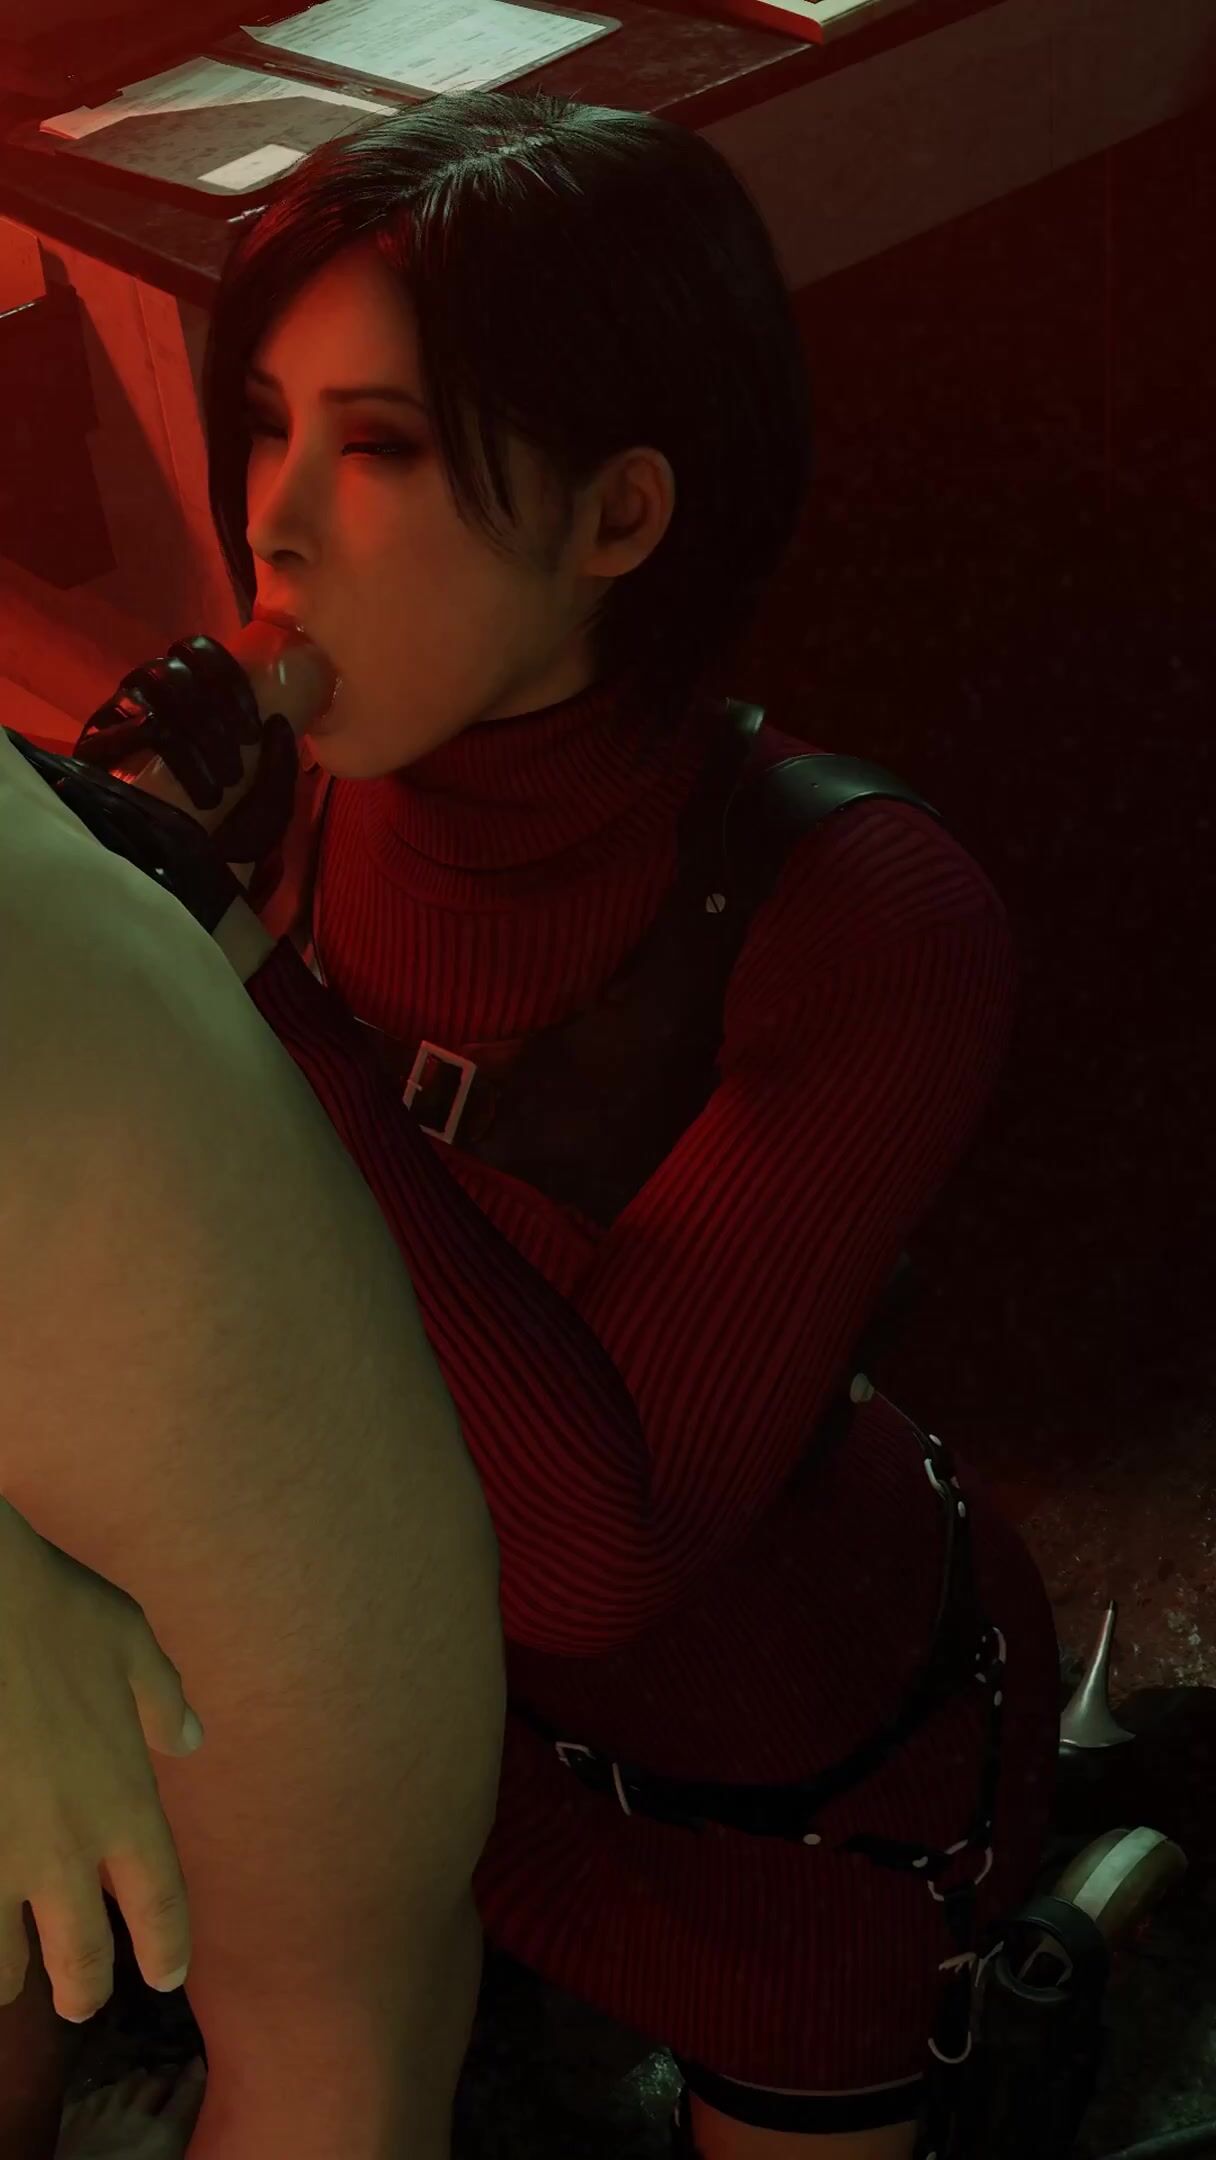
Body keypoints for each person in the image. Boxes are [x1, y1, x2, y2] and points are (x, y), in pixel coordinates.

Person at [0, 87, 1062, 2160]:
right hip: (408, 1749)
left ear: (619, 518)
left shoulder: (872, 912)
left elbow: (595, 1551)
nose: (273, 526)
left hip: (774, 1822)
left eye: (380, 449)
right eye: (267, 429)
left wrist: (237, 989)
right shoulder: (301, 801)